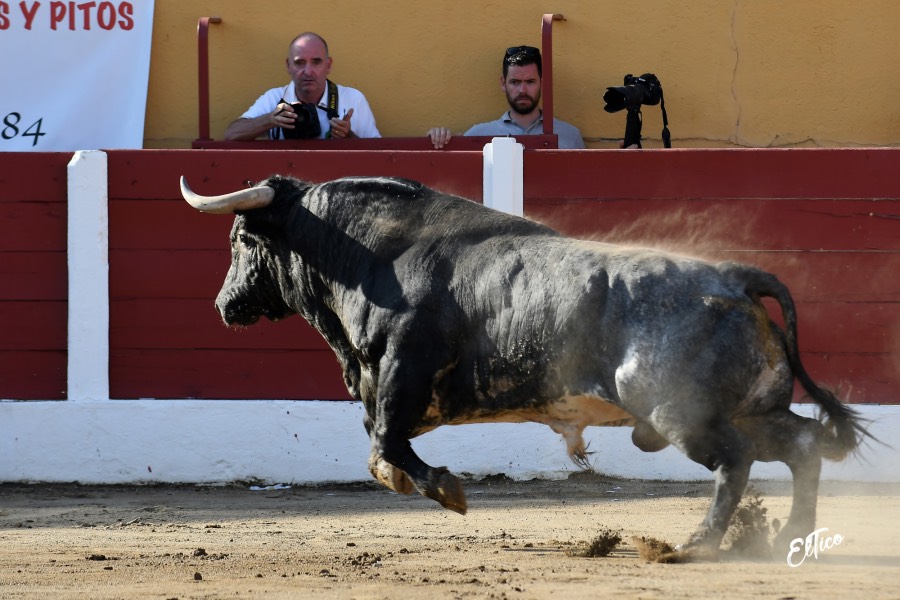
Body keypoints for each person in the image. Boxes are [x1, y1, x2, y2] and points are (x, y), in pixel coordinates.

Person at [224, 32, 380, 141]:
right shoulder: (275, 98)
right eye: (299, 63)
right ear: (288, 66)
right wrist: (270, 119)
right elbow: (232, 134)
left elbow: (377, 156)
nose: (308, 71)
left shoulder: (352, 99)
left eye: (316, 62)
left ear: (328, 65)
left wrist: (347, 137)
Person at [427, 45, 584, 149]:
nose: (522, 90)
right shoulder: (478, 134)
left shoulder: (569, 135)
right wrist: (435, 140)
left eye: (530, 82)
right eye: (515, 82)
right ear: (503, 83)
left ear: (542, 84)